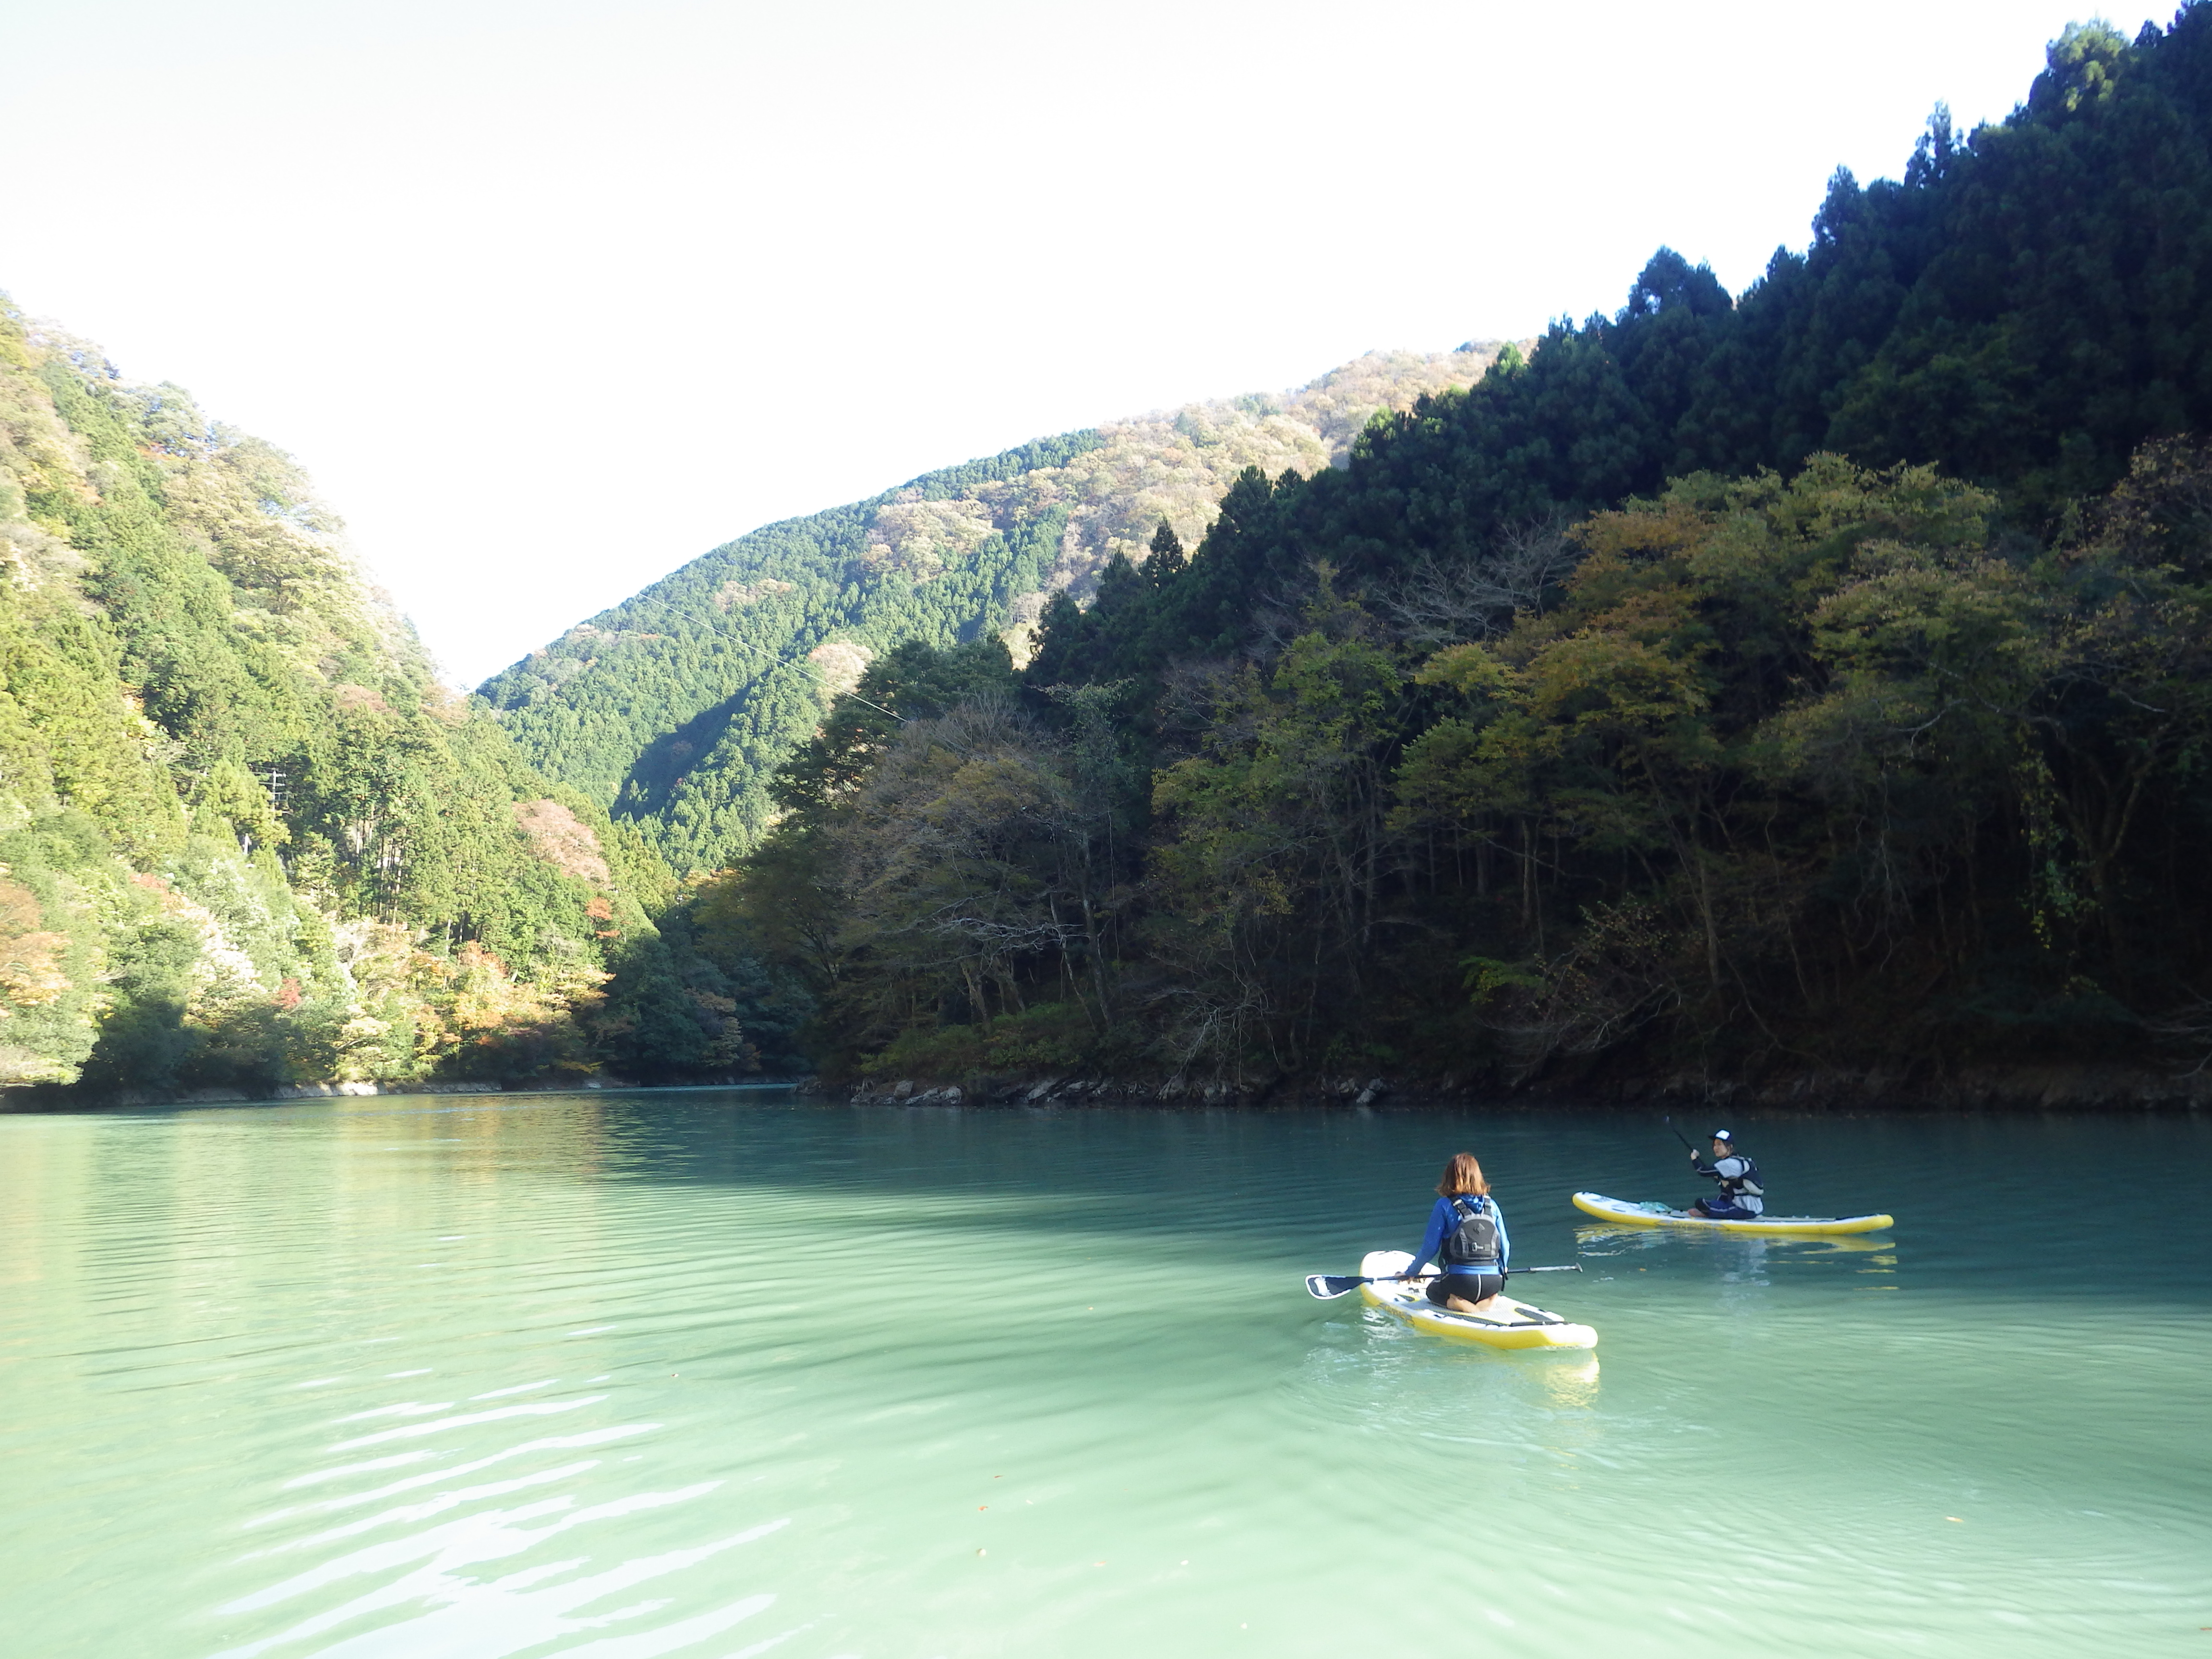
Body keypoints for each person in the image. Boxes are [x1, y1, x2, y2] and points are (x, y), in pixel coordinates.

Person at [1405, 1152, 1510, 1312]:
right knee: (1488, 1291)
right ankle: (1488, 1300)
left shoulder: (1444, 1205)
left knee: (1432, 1291)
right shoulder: (1492, 1206)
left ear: (1449, 1177)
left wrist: (1411, 1273)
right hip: (1493, 1281)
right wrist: (1503, 1269)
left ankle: (1460, 1304)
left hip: (1461, 1283)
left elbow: (1430, 1248)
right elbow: (1505, 1247)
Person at [1687, 1130, 1765, 1218]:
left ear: (1730, 1147)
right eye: (1715, 1145)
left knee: (1701, 1203)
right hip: (1755, 1208)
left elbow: (1702, 1171)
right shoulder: (1742, 1160)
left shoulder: (1730, 1163)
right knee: (1723, 1196)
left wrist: (1694, 1158)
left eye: (1720, 1144)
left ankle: (1708, 1214)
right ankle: (1712, 1212)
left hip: (1744, 1209)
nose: (1716, 1148)